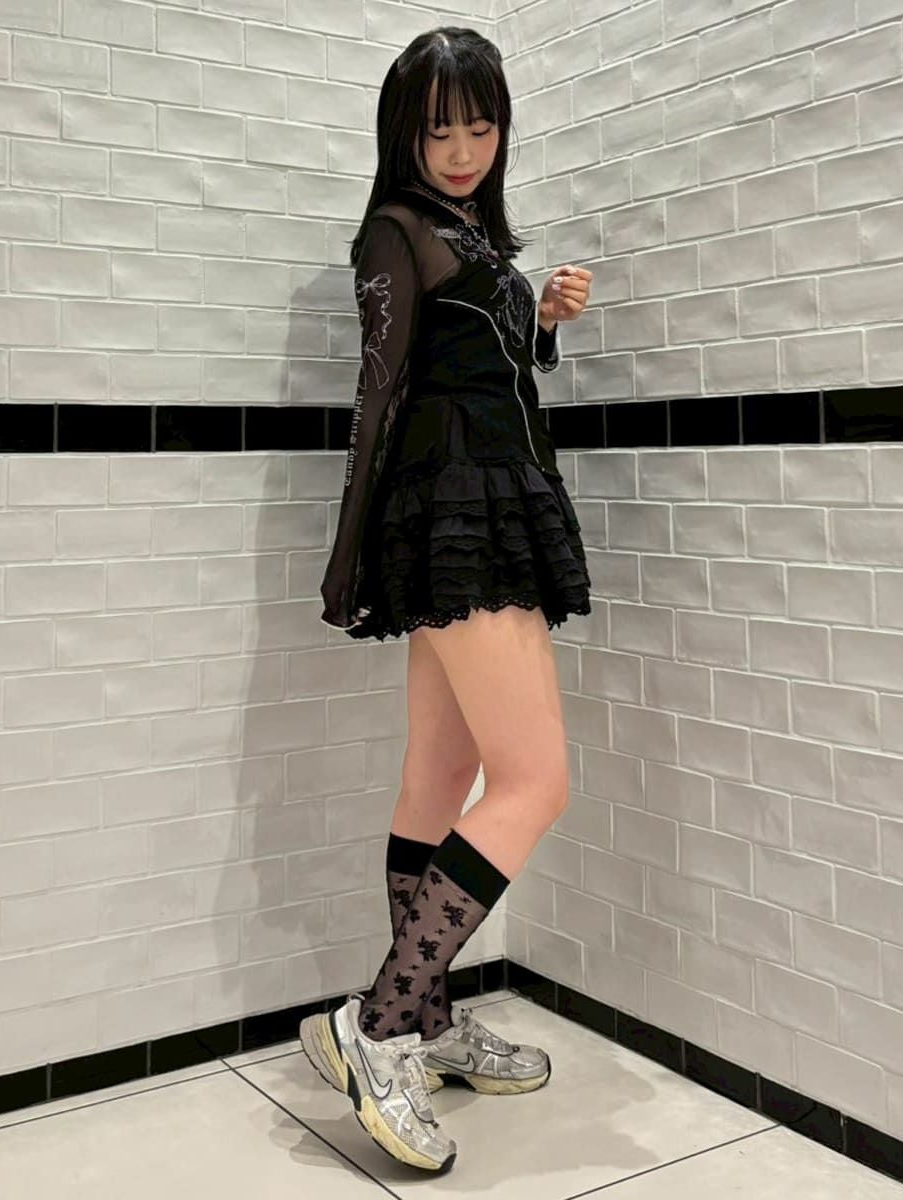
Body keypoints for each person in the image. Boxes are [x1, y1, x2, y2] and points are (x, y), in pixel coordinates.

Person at [300, 25, 593, 1175]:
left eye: (481, 126)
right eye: (439, 130)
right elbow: (379, 393)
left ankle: (422, 1019)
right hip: (452, 512)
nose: (463, 148)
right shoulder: (397, 230)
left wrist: (541, 324)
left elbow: (484, 366)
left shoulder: (470, 234)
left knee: (440, 773)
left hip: (487, 501)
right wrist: (353, 552)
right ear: (403, 135)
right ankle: (378, 1026)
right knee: (535, 780)